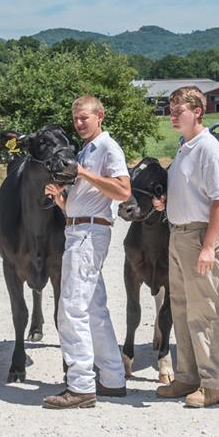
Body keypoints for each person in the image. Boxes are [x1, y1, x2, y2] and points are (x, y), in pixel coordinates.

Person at [41, 95, 131, 410]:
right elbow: (88, 196)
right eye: (76, 118)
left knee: (71, 308)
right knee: (95, 309)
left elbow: (123, 190)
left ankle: (80, 384)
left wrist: (82, 173)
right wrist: (62, 200)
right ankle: (112, 377)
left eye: (85, 118)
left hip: (89, 233)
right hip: (80, 227)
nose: (79, 123)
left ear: (99, 116)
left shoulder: (107, 147)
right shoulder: (87, 150)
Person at [152, 86, 219, 408]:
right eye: (170, 109)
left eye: (178, 109)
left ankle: (213, 384)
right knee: (183, 310)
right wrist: (168, 203)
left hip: (200, 236)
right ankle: (187, 376)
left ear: (197, 111)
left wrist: (209, 246)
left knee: (205, 311)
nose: (172, 115)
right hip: (178, 234)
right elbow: (197, 193)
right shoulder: (185, 147)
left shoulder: (208, 148)